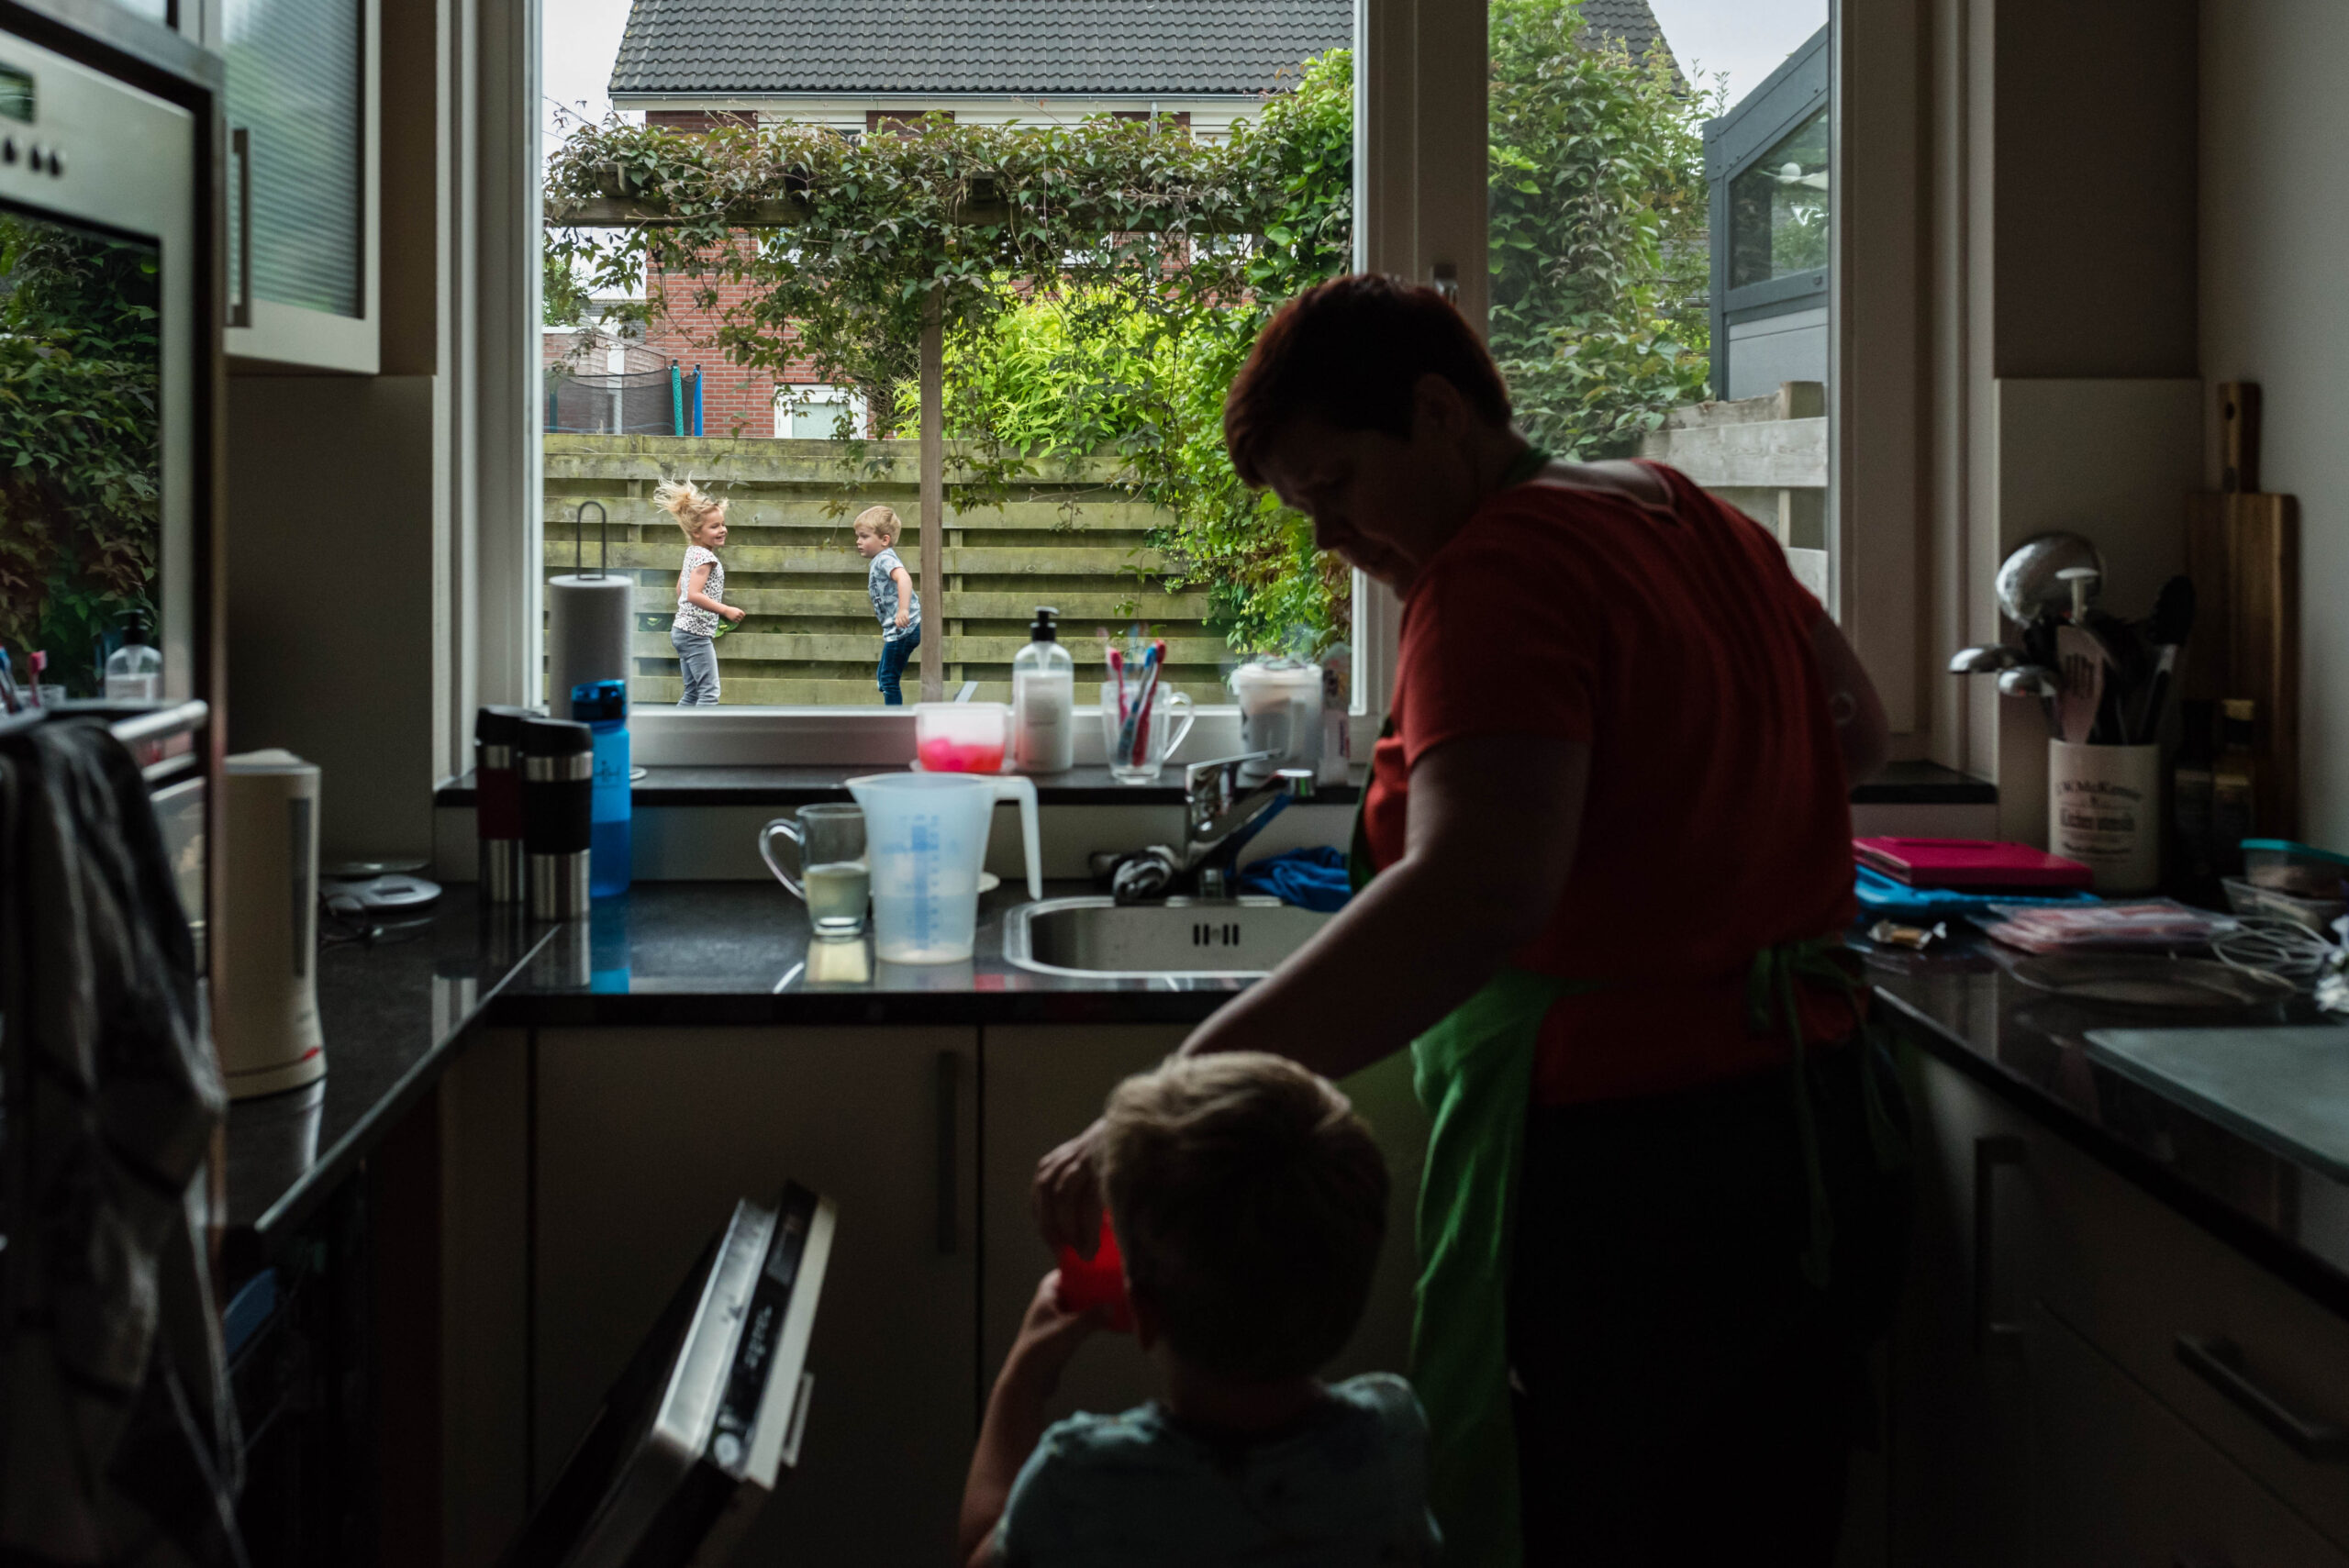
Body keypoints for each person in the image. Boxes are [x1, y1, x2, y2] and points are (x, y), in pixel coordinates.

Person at [1033, 274, 1910, 1566]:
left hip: (1637, 1185)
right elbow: (1860, 732)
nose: (1329, 538)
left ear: (1440, 413)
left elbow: (1471, 897)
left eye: (1334, 484)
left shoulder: (1498, 567)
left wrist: (1163, 1098)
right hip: (1810, 1135)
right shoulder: (1696, 517)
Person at [963, 1052, 1440, 1568]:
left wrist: (1025, 1373)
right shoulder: (1390, 1439)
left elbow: (979, 1551)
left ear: (1141, 1312)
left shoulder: (1083, 1480)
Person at [657, 478, 742, 706]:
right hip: (694, 636)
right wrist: (725, 609)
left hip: (683, 631)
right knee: (709, 693)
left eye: (722, 524)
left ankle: (676, 737)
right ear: (697, 532)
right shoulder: (705, 558)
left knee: (692, 693)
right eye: (714, 527)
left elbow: (680, 590)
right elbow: (692, 594)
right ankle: (702, 740)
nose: (722, 530)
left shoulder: (692, 553)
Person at [853, 505, 921, 705]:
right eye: (858, 536)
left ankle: (894, 721)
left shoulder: (885, 558)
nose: (858, 541)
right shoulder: (880, 560)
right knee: (884, 677)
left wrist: (903, 610)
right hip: (897, 630)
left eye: (864, 536)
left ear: (884, 540)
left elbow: (905, 579)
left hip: (902, 629)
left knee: (889, 680)